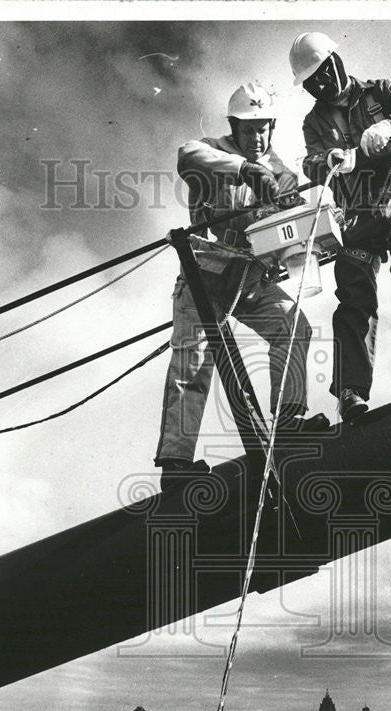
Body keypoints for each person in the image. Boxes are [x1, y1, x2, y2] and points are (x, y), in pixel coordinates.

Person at [155, 82, 328, 492]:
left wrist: (298, 246)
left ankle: (287, 421)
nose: (257, 138)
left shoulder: (283, 173)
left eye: (263, 128)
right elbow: (186, 155)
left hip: (251, 276)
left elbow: (292, 225)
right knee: (193, 363)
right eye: (248, 130)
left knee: (293, 327)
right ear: (234, 128)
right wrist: (246, 169)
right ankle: (177, 463)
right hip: (207, 272)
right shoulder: (209, 151)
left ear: (271, 127)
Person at [290, 32, 391, 422]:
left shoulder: (381, 91)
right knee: (354, 291)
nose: (320, 86)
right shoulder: (314, 121)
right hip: (356, 215)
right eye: (310, 82)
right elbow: (309, 163)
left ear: (335, 63)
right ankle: (351, 391)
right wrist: (329, 160)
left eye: (322, 74)